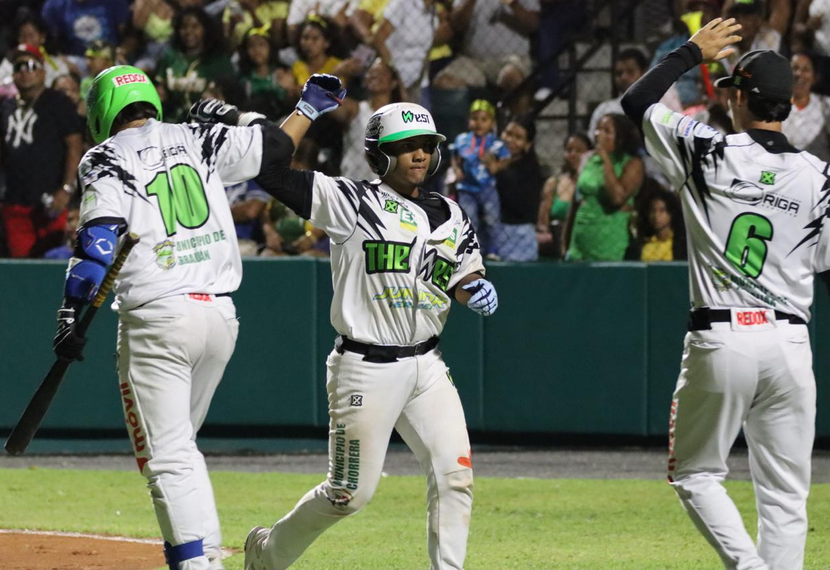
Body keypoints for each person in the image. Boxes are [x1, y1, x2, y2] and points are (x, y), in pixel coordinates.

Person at [191, 91, 496, 570]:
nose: (419, 153)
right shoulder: (350, 200)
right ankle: (267, 554)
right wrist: (258, 118)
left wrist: (474, 289)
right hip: (366, 365)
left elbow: (460, 275)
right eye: (405, 144)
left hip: (427, 365)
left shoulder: (453, 213)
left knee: (454, 476)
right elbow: (270, 172)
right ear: (379, 153)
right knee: (348, 494)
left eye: (426, 143)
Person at [50, 65, 328, 570]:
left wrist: (71, 309)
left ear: (101, 110)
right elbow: (275, 146)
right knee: (179, 450)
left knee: (167, 458)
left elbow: (98, 243)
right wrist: (283, 111)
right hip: (219, 317)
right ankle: (205, 557)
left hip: (158, 317)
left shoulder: (105, 156)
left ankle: (196, 564)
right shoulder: (195, 135)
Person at [623, 17, 830, 570]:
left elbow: (636, 100)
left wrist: (690, 52)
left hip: (725, 335)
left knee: (695, 473)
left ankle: (750, 567)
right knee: (787, 496)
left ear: (739, 98)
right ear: (787, 103)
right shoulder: (818, 176)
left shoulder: (709, 152)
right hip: (790, 342)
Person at [0, 44, 83, 258]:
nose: (25, 71)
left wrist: (66, 187)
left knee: (54, 265)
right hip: (16, 204)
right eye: (19, 67)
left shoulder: (58, 102)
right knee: (22, 269)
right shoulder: (5, 107)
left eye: (31, 65)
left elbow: (75, 145)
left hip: (53, 202)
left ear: (43, 71)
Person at [564, 113, 644, 262]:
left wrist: (605, 160)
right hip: (580, 239)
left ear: (620, 137)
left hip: (608, 240)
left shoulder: (632, 164)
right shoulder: (588, 159)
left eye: (606, 131)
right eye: (598, 129)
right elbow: (577, 200)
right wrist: (565, 242)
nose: (598, 134)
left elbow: (617, 198)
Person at [450, 98, 510, 253]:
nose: (479, 123)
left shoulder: (495, 142)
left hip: (487, 186)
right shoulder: (462, 140)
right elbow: (455, 156)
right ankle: (470, 250)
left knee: (492, 219)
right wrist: (457, 170)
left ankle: (494, 250)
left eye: (484, 119)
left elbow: (506, 157)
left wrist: (496, 166)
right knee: (468, 219)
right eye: (475, 118)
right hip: (466, 187)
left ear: (492, 122)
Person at [156, 6, 234, 122]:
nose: (188, 31)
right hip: (171, 123)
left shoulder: (218, 61)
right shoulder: (170, 56)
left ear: (205, 29)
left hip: (206, 125)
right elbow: (160, 91)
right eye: (184, 26)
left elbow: (230, 97)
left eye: (195, 26)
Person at [331, 57, 403, 181]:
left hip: (385, 189)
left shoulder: (401, 117)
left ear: (393, 82)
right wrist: (337, 73)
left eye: (381, 73)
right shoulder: (355, 109)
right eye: (371, 72)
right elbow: (323, 99)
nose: (374, 76)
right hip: (353, 184)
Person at [492, 118, 544, 261]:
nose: (510, 140)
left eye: (518, 137)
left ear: (528, 144)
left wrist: (500, 171)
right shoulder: (489, 159)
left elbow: (519, 205)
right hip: (491, 232)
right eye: (508, 133)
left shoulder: (531, 172)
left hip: (519, 236)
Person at [537, 133, 590, 259]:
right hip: (555, 245)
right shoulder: (553, 183)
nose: (573, 154)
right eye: (569, 150)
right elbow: (542, 221)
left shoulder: (593, 186)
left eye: (579, 151)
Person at [587, 48, 648, 141]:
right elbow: (593, 142)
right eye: (619, 73)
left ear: (645, 73)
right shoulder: (605, 109)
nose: (624, 77)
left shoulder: (661, 104)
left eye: (630, 71)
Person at [782, 52, 830, 161]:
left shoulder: (826, 106)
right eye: (795, 68)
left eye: (805, 70)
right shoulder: (775, 105)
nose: (799, 74)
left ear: (814, 77)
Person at [626, 185, 687, 262]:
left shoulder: (682, 245)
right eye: (653, 210)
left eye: (662, 211)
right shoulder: (640, 245)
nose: (656, 216)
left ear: (671, 213)